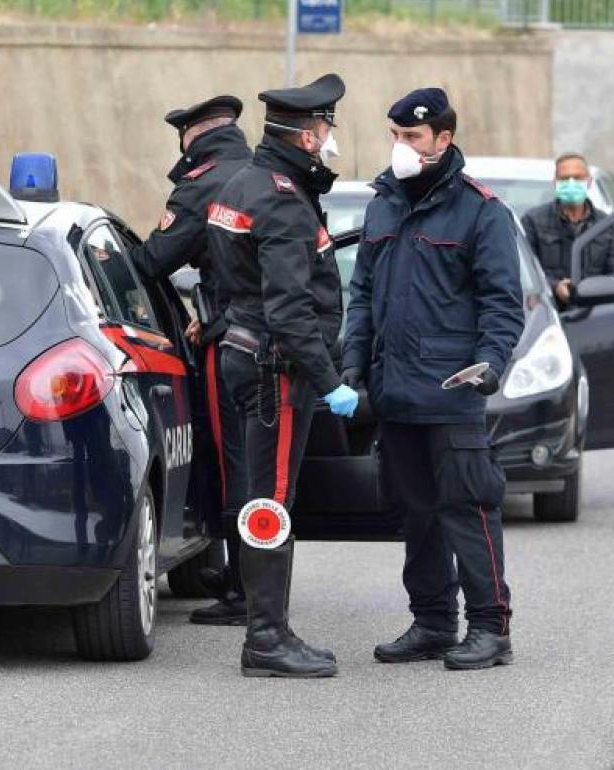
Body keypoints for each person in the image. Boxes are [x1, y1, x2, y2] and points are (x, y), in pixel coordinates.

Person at [342, 87, 524, 671]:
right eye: (394, 136)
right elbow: (363, 293)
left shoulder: (481, 211)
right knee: (415, 514)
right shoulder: (383, 203)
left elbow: (503, 304)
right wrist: (354, 363)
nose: (401, 148)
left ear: (443, 139)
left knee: (468, 507)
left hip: (453, 392)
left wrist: (490, 364)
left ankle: (491, 627)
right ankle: (433, 621)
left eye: (412, 138)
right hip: (395, 393)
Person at [206, 73, 358, 678]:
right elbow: (291, 309)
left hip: (242, 353)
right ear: (305, 134)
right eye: (325, 128)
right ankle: (266, 639)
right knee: (270, 503)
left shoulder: (242, 182)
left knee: (255, 496)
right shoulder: (283, 201)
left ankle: (268, 628)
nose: (328, 139)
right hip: (275, 370)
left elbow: (222, 276)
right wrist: (330, 380)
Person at [128, 94, 254, 627]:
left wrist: (117, 263)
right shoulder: (257, 172)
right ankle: (244, 578)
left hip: (232, 341)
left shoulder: (202, 183)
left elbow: (156, 258)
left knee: (236, 465)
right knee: (258, 461)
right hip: (260, 334)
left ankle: (246, 591)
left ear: (192, 134)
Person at [521, 152, 614, 307]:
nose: (571, 184)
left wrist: (591, 290)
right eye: (564, 179)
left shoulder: (604, 223)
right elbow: (526, 273)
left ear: (589, 182)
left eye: (578, 178)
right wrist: (555, 286)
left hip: (594, 312)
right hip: (551, 312)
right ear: (555, 182)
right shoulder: (533, 220)